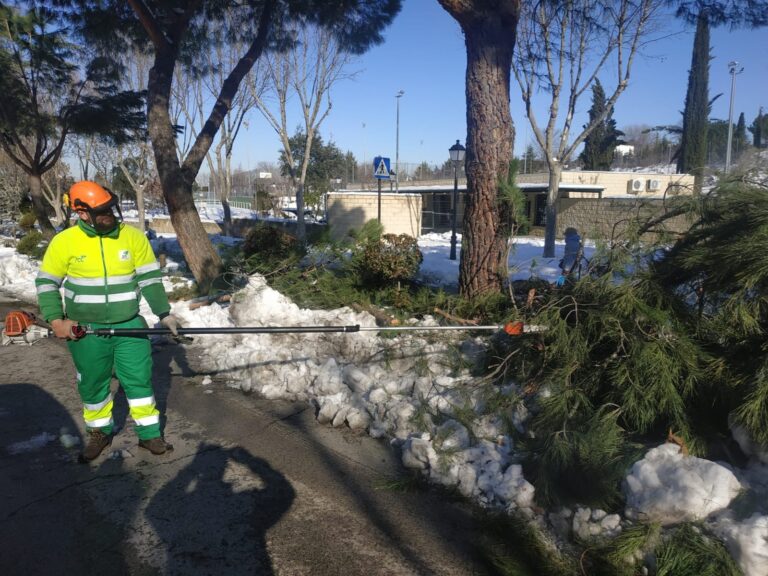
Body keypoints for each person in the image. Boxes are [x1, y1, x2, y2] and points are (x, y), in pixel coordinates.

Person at [35, 181, 183, 463]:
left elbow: (149, 280)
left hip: (129, 326)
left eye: (110, 209)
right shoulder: (64, 242)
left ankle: (149, 433)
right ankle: (99, 432)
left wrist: (165, 313)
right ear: (82, 213)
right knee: (92, 383)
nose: (109, 215)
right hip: (85, 330)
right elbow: (46, 283)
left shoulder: (133, 237)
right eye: (101, 211)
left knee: (138, 380)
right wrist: (56, 319)